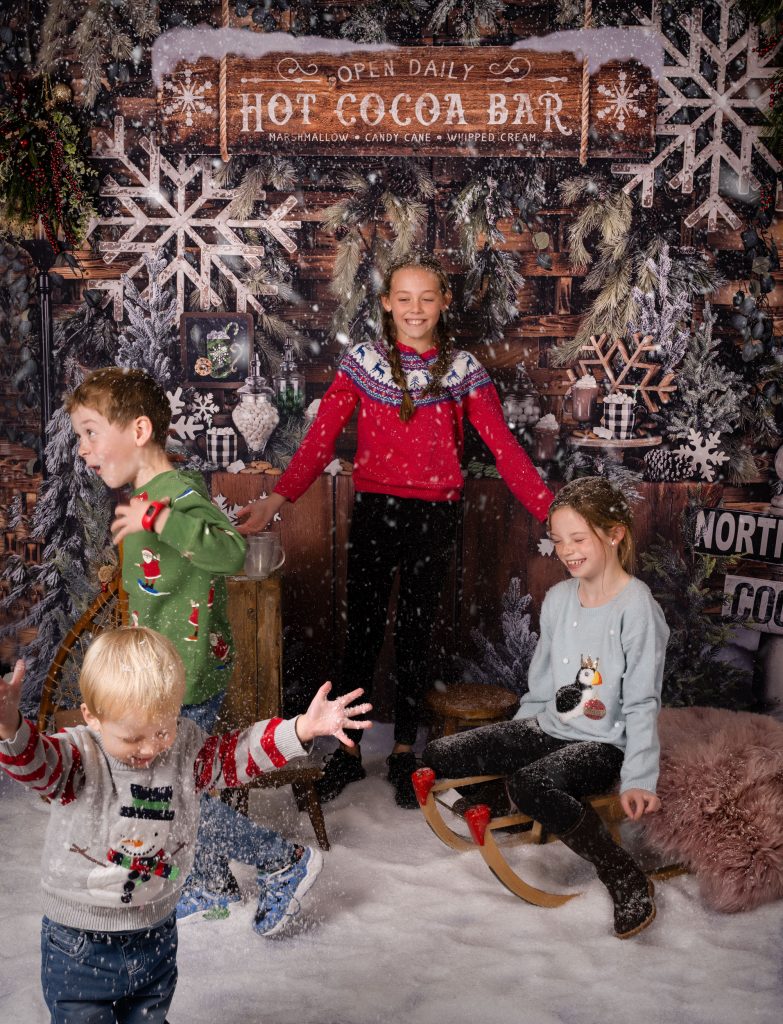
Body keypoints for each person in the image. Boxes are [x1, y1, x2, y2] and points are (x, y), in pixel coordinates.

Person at [236, 252, 553, 808]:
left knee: (416, 634)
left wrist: (550, 511)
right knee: (361, 633)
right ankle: (348, 749)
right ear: (386, 304)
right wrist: (278, 498)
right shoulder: (363, 362)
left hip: (436, 517)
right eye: (404, 298)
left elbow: (503, 446)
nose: (415, 309)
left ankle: (406, 749)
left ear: (444, 302)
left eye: (427, 298)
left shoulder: (463, 370)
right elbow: (321, 438)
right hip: (376, 510)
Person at [0, 627, 371, 1023]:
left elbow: (238, 753)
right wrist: (10, 728)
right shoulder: (79, 755)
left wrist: (299, 729)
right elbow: (36, 765)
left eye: (163, 730)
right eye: (132, 738)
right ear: (93, 716)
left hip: (156, 932)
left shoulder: (184, 751)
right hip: (80, 945)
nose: (149, 748)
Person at [65, 367, 318, 929]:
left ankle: (283, 860)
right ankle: (208, 883)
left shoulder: (177, 493)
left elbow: (228, 552)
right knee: (173, 787)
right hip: (157, 675)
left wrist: (157, 520)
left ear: (138, 431)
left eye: (90, 432)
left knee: (173, 796)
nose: (83, 448)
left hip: (187, 674)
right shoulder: (145, 496)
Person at [423, 476, 669, 938]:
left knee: (531, 783)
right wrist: (516, 742)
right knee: (442, 753)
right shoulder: (558, 600)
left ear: (614, 534)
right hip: (550, 726)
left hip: (603, 744)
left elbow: (642, 702)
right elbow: (540, 688)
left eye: (578, 539)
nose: (567, 551)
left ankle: (622, 874)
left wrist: (638, 777)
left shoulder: (637, 608)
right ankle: (509, 794)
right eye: (558, 540)